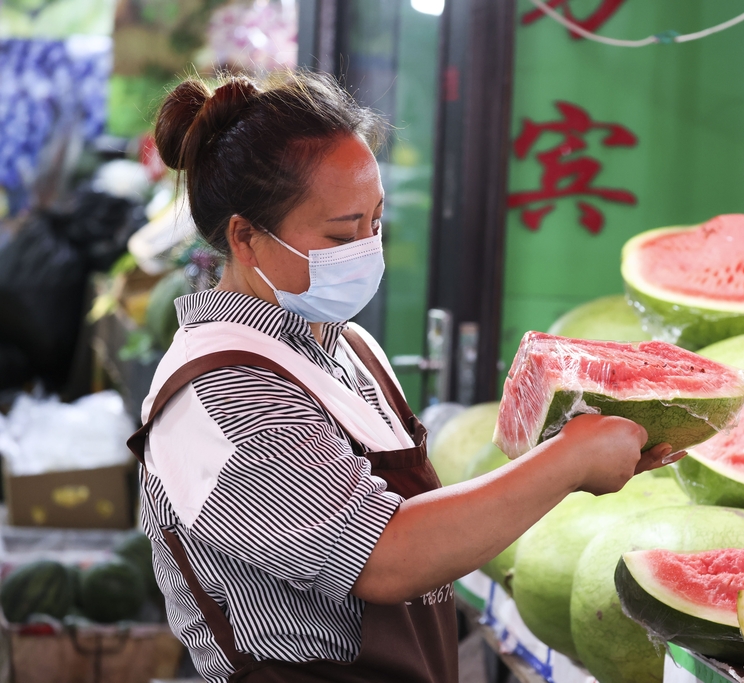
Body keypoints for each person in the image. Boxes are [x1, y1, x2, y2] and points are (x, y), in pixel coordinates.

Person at [129, 70, 678, 683]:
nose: (368, 247)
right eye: (342, 232)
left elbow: (420, 519)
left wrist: (558, 448)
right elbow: (383, 557)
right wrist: (568, 463)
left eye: (376, 221)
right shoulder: (218, 393)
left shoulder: (350, 349)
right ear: (246, 238)